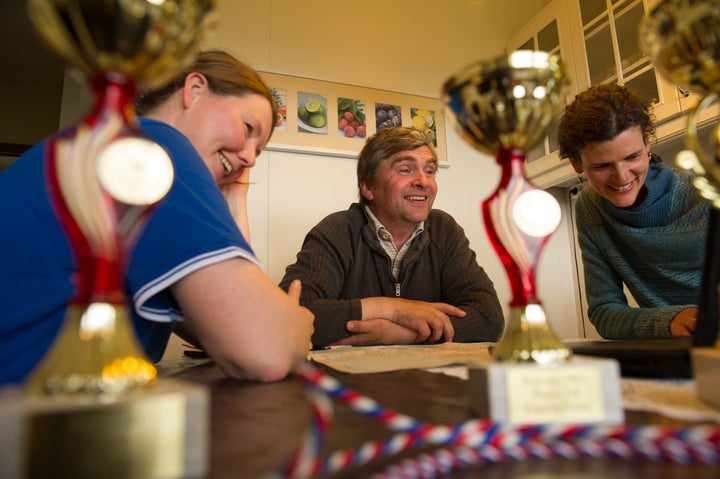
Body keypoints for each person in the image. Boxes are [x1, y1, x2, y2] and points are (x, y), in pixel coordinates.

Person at [0, 50, 314, 384]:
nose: (250, 158)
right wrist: (293, 321)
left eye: (259, 151)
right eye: (248, 128)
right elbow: (262, 346)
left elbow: (217, 322)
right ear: (194, 90)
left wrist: (236, 194)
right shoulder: (155, 148)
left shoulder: (114, 144)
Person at [279, 126, 504, 348]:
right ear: (368, 186)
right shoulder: (336, 230)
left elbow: (488, 317)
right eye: (406, 169)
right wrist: (393, 309)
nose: (423, 182)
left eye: (429, 171)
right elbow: (288, 317)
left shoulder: (445, 230)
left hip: (429, 380)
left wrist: (401, 333)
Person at [557, 83, 709, 339]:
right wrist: (670, 321)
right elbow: (605, 312)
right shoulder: (590, 209)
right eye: (603, 165)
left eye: (632, 157)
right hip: (668, 352)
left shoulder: (705, 196)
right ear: (576, 165)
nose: (622, 177)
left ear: (647, 142)